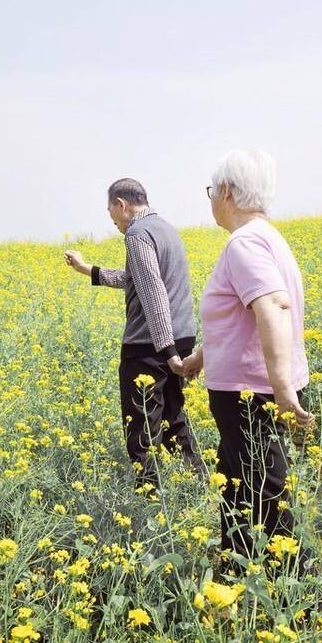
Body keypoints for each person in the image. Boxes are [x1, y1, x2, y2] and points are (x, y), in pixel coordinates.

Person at [177, 150, 316, 575]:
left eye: (209, 191)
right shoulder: (267, 236)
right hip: (253, 389)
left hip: (253, 395)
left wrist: (282, 391)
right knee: (238, 486)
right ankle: (237, 574)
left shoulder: (244, 243)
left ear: (225, 192)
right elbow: (241, 317)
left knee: (267, 495)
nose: (209, 199)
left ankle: (297, 591)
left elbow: (272, 306)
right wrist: (200, 358)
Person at [64, 178, 208, 495]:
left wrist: (166, 349)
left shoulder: (137, 234)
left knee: (140, 425)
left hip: (150, 345)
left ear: (122, 204)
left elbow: (153, 294)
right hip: (180, 336)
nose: (111, 219)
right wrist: (88, 269)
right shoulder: (165, 229)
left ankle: (148, 500)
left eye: (110, 211)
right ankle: (201, 486)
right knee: (173, 417)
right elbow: (137, 279)